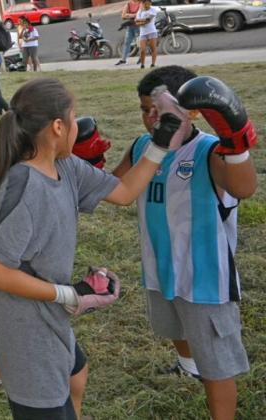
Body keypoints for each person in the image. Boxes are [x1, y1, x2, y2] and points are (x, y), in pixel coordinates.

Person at [0, 77, 186, 419]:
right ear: (58, 126)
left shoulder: (66, 166)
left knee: (77, 373)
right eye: (74, 118)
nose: (78, 125)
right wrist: (68, 294)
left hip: (48, 313)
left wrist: (160, 142)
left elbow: (123, 192)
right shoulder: (23, 187)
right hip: (22, 324)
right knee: (47, 406)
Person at [112, 66, 257, 420]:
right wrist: (84, 164)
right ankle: (186, 365)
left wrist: (236, 143)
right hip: (160, 267)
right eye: (144, 109)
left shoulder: (209, 151)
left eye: (157, 110)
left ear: (190, 110)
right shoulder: (144, 145)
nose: (150, 118)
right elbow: (115, 187)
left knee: (216, 365)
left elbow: (244, 188)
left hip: (205, 279)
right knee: (175, 327)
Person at [116, 0, 142, 65]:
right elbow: (123, 16)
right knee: (127, 43)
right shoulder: (128, 4)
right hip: (130, 26)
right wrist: (133, 15)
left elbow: (139, 15)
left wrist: (128, 15)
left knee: (139, 43)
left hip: (138, 26)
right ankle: (123, 60)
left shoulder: (141, 3)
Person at [136, 0, 159, 69]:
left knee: (153, 48)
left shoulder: (153, 10)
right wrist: (142, 21)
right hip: (143, 33)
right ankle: (142, 64)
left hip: (152, 32)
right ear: (143, 4)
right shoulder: (140, 11)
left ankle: (153, 64)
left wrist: (140, 21)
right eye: (145, 4)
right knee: (142, 49)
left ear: (150, 3)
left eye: (148, 4)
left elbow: (148, 20)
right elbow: (136, 21)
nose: (146, 5)